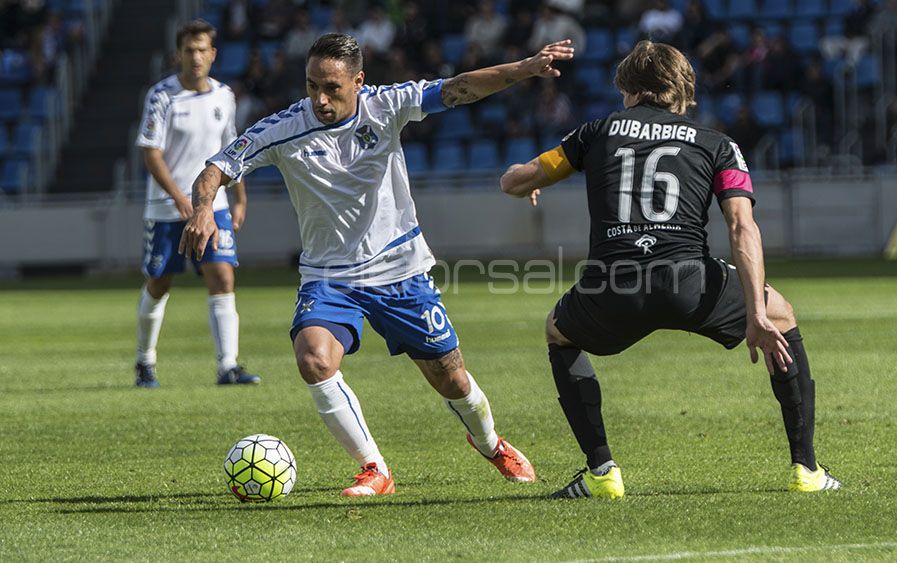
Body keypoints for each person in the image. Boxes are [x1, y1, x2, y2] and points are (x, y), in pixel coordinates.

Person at [179, 33, 575, 496]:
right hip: (329, 277)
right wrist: (204, 207)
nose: (320, 99)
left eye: (332, 88)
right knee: (313, 359)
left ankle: (490, 444)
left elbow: (460, 86)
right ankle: (374, 468)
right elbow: (216, 168)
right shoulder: (283, 129)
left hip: (400, 270)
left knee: (451, 378)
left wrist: (525, 68)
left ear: (359, 81)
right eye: (311, 87)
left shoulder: (386, 105)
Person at [500, 40, 842, 499]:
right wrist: (756, 315)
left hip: (612, 287)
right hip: (690, 282)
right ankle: (807, 470)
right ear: (682, 88)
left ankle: (602, 471)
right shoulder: (718, 145)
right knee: (781, 313)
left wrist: (527, 184)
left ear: (628, 88)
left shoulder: (595, 133)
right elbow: (742, 227)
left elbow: (515, 181)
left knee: (559, 332)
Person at [134, 19, 259, 388]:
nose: (196, 56)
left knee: (222, 275)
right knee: (159, 282)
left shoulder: (224, 95)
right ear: (179, 54)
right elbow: (151, 153)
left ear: (213, 54)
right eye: (189, 50)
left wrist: (239, 196)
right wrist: (178, 196)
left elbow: (233, 151)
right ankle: (145, 361)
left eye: (203, 49)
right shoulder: (161, 96)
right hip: (166, 208)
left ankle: (228, 366)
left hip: (213, 205)